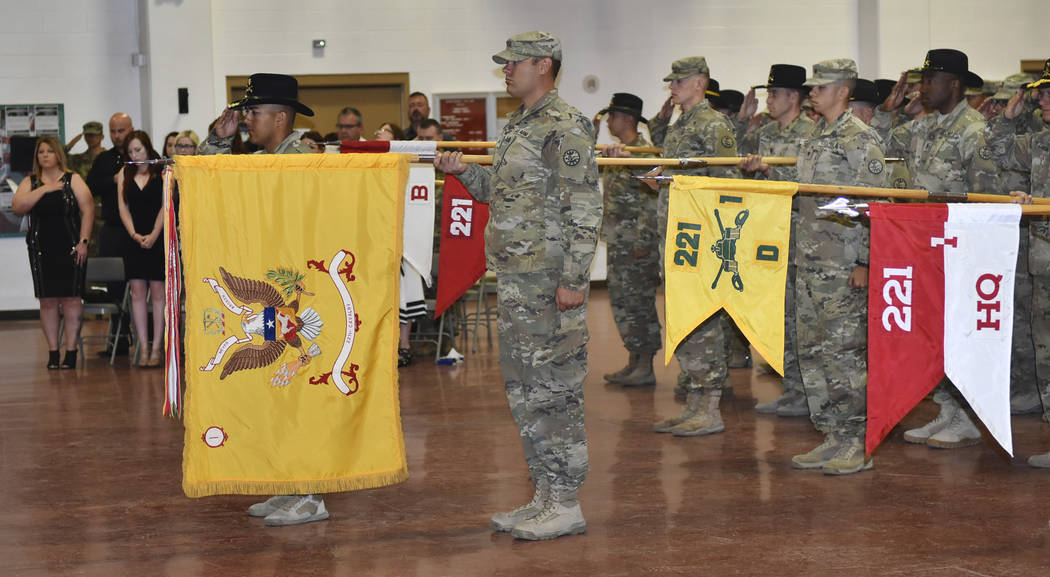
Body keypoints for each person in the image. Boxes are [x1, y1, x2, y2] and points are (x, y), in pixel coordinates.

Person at [434, 31, 600, 541]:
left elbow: (585, 207)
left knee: (555, 392)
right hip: (516, 283)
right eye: (504, 64)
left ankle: (567, 502)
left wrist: (574, 280)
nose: (506, 70)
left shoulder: (565, 125)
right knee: (525, 392)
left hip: (550, 284)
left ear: (543, 66)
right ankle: (544, 495)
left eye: (514, 63)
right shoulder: (518, 125)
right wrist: (465, 173)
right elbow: (506, 197)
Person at [748, 59, 886, 474]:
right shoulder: (817, 136)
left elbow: (874, 205)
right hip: (809, 264)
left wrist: (865, 260)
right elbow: (804, 197)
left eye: (820, 87)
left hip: (843, 267)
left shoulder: (859, 139)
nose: (812, 93)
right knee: (813, 354)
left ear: (843, 91)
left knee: (845, 356)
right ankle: (832, 434)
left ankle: (857, 443)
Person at [199, 73, 323, 525]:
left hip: (298, 299)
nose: (246, 119)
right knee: (277, 396)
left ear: (280, 117)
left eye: (252, 112)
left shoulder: (304, 158)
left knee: (298, 399)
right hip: (272, 295)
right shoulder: (261, 158)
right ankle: (287, 484)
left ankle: (310, 494)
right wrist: (217, 140)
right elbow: (209, 185)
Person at [883, 50, 1001, 451]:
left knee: (960, 332)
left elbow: (987, 197)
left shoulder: (975, 130)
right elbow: (880, 144)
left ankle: (966, 417)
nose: (922, 88)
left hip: (961, 249)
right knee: (936, 334)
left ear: (954, 85)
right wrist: (891, 110)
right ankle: (947, 410)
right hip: (927, 248)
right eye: (921, 81)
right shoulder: (922, 126)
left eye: (929, 81)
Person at [647, 56, 739, 437]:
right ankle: (694, 403)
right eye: (671, 82)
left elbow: (728, 181)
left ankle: (711, 406)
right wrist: (661, 178)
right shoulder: (679, 124)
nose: (673, 88)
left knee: (704, 321)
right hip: (675, 235)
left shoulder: (714, 124)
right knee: (683, 319)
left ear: (700, 83)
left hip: (701, 237)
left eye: (680, 82)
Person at [739, 64, 815, 418]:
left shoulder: (812, 132)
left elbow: (811, 184)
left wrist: (772, 171)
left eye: (774, 93)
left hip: (802, 235)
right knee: (779, 317)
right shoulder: (766, 133)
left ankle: (807, 394)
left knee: (803, 319)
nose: (768, 99)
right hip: (771, 235)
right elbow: (738, 163)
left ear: (793, 97)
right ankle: (792, 390)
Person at [986, 59, 1050, 467]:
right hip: (1043, 262)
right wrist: (1007, 121)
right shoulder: (1042, 140)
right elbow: (997, 152)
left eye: (1047, 91)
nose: (1041, 97)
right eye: (1041, 91)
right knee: (1046, 356)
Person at [596, 93, 661, 388]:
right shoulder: (616, 150)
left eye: (612, 116)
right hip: (619, 241)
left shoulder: (644, 153)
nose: (609, 121)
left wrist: (644, 241)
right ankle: (634, 360)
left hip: (637, 244)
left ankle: (645, 365)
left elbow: (653, 196)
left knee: (639, 305)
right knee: (622, 303)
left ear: (628, 119)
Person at [12, 137, 94, 369]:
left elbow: (87, 210)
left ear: (58, 154)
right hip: (41, 249)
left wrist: (84, 241)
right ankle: (53, 353)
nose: (45, 155)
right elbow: (18, 206)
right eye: (41, 152)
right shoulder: (32, 182)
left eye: (49, 151)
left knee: (70, 299)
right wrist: (45, 189)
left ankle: (70, 351)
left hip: (71, 247)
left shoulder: (73, 179)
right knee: (47, 301)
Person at [86, 112, 135, 357]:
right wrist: (114, 180)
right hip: (113, 229)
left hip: (140, 231)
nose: (117, 136)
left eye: (122, 131)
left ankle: (149, 341)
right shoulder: (104, 159)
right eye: (113, 131)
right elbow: (90, 186)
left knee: (142, 285)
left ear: (131, 129)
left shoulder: (144, 153)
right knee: (115, 287)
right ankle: (119, 340)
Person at [117, 131, 166, 368]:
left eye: (138, 150)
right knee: (137, 293)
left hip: (157, 238)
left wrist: (154, 234)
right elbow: (123, 208)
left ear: (147, 148)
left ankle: (157, 347)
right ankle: (143, 347)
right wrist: (135, 235)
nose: (135, 155)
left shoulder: (163, 173)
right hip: (133, 239)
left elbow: (165, 208)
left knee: (158, 294)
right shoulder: (123, 175)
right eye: (130, 152)